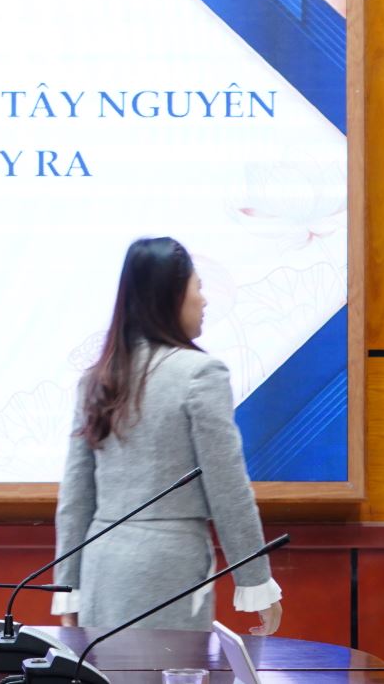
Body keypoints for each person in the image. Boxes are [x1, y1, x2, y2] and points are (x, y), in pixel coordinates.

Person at [53, 236, 284, 634]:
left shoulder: (97, 378)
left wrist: (67, 587)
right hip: (169, 569)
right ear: (170, 295)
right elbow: (228, 488)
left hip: (101, 567)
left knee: (105, 669)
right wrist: (256, 584)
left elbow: (76, 495)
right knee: (169, 668)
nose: (204, 300)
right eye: (198, 287)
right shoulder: (200, 374)